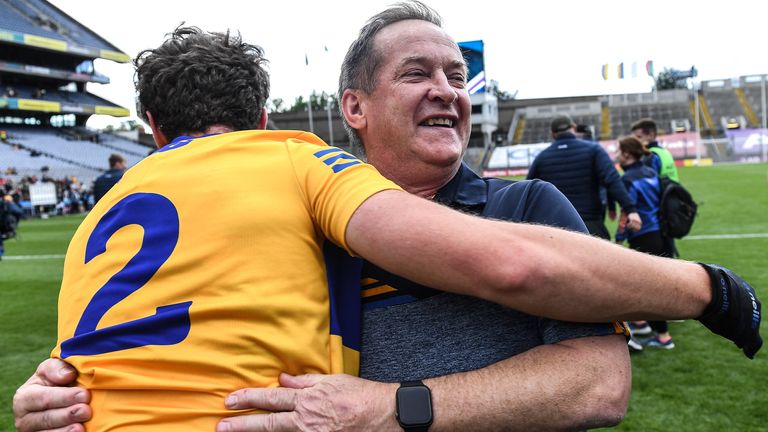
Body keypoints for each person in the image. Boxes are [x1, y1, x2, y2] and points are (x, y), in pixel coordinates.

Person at [13, 13, 762, 432]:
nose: (448, 91)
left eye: (458, 77)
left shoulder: (523, 208)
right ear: (354, 109)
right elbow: (125, 342)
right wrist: (54, 392)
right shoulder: (291, 201)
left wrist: (393, 408)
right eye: (417, 74)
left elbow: (599, 386)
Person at [527, 114, 641, 240]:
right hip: (590, 224)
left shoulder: (542, 157)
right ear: (574, 128)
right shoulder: (593, 150)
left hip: (557, 229)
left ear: (553, 134)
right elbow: (612, 180)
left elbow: (528, 191)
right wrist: (631, 210)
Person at [614, 136, 675, 349]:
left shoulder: (628, 179)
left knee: (647, 287)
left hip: (642, 234)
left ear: (627, 154)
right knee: (653, 283)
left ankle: (663, 336)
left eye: (618, 151)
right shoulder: (651, 172)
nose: (616, 155)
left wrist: (619, 240)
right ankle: (642, 324)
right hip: (658, 233)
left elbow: (627, 213)